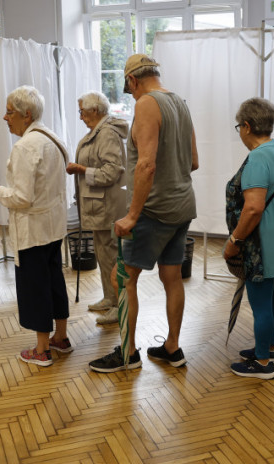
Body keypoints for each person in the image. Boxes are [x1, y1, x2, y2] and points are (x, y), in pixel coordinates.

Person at [87, 54, 199, 373]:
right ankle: (172, 347)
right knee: (172, 275)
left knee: (122, 278)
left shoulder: (147, 104)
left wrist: (133, 215)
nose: (132, 95)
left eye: (130, 89)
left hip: (154, 209)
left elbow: (146, 164)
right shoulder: (180, 102)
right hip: (182, 204)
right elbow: (193, 161)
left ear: (133, 81)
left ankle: (127, 354)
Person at [0, 85, 71, 367]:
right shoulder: (52, 137)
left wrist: (0, 192)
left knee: (35, 287)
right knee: (54, 280)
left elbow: (22, 198)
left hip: (33, 230)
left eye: (9, 112)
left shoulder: (25, 146)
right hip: (53, 225)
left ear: (26, 115)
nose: (4, 117)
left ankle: (41, 349)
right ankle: (60, 337)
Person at [224, 98, 274, 380]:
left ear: (248, 126)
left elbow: (253, 208)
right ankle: (271, 348)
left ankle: (263, 363)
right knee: (270, 299)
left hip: (258, 246)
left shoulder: (258, 157)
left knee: (261, 304)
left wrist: (234, 241)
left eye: (239, 126)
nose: (239, 132)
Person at [66, 91, 128, 325]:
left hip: (108, 205)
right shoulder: (98, 132)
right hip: (98, 204)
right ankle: (110, 298)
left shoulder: (107, 134)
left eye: (82, 111)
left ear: (95, 110)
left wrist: (82, 170)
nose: (80, 116)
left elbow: (112, 172)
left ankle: (119, 304)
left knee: (112, 255)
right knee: (104, 253)